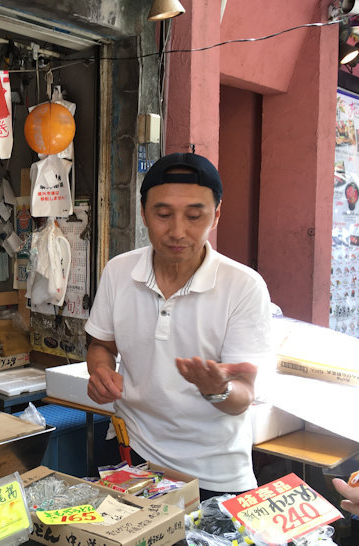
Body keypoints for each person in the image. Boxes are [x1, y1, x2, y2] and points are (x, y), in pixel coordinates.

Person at [85, 152, 272, 500]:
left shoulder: (244, 286)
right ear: (143, 213)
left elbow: (243, 397)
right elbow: (102, 344)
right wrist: (99, 372)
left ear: (216, 214)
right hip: (132, 457)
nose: (177, 231)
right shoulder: (119, 271)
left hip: (213, 475)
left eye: (194, 215)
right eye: (163, 214)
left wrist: (217, 389)